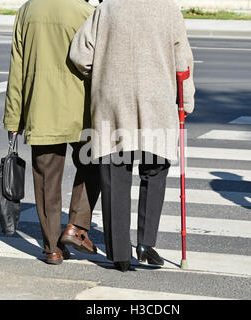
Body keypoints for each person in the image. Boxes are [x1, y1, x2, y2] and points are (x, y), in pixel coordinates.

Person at [70, 0, 195, 272]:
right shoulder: (168, 9)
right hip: (156, 99)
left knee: (115, 171)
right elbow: (182, 62)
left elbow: (79, 54)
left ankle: (119, 253)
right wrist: (186, 101)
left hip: (114, 99)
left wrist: (101, 73)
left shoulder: (108, 8)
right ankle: (146, 243)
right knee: (155, 168)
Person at [3, 0, 100, 265]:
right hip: (82, 110)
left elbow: (17, 69)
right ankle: (76, 226)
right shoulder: (87, 12)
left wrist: (13, 118)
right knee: (94, 164)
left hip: (41, 108)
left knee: (46, 179)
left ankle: (52, 249)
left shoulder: (27, 10)